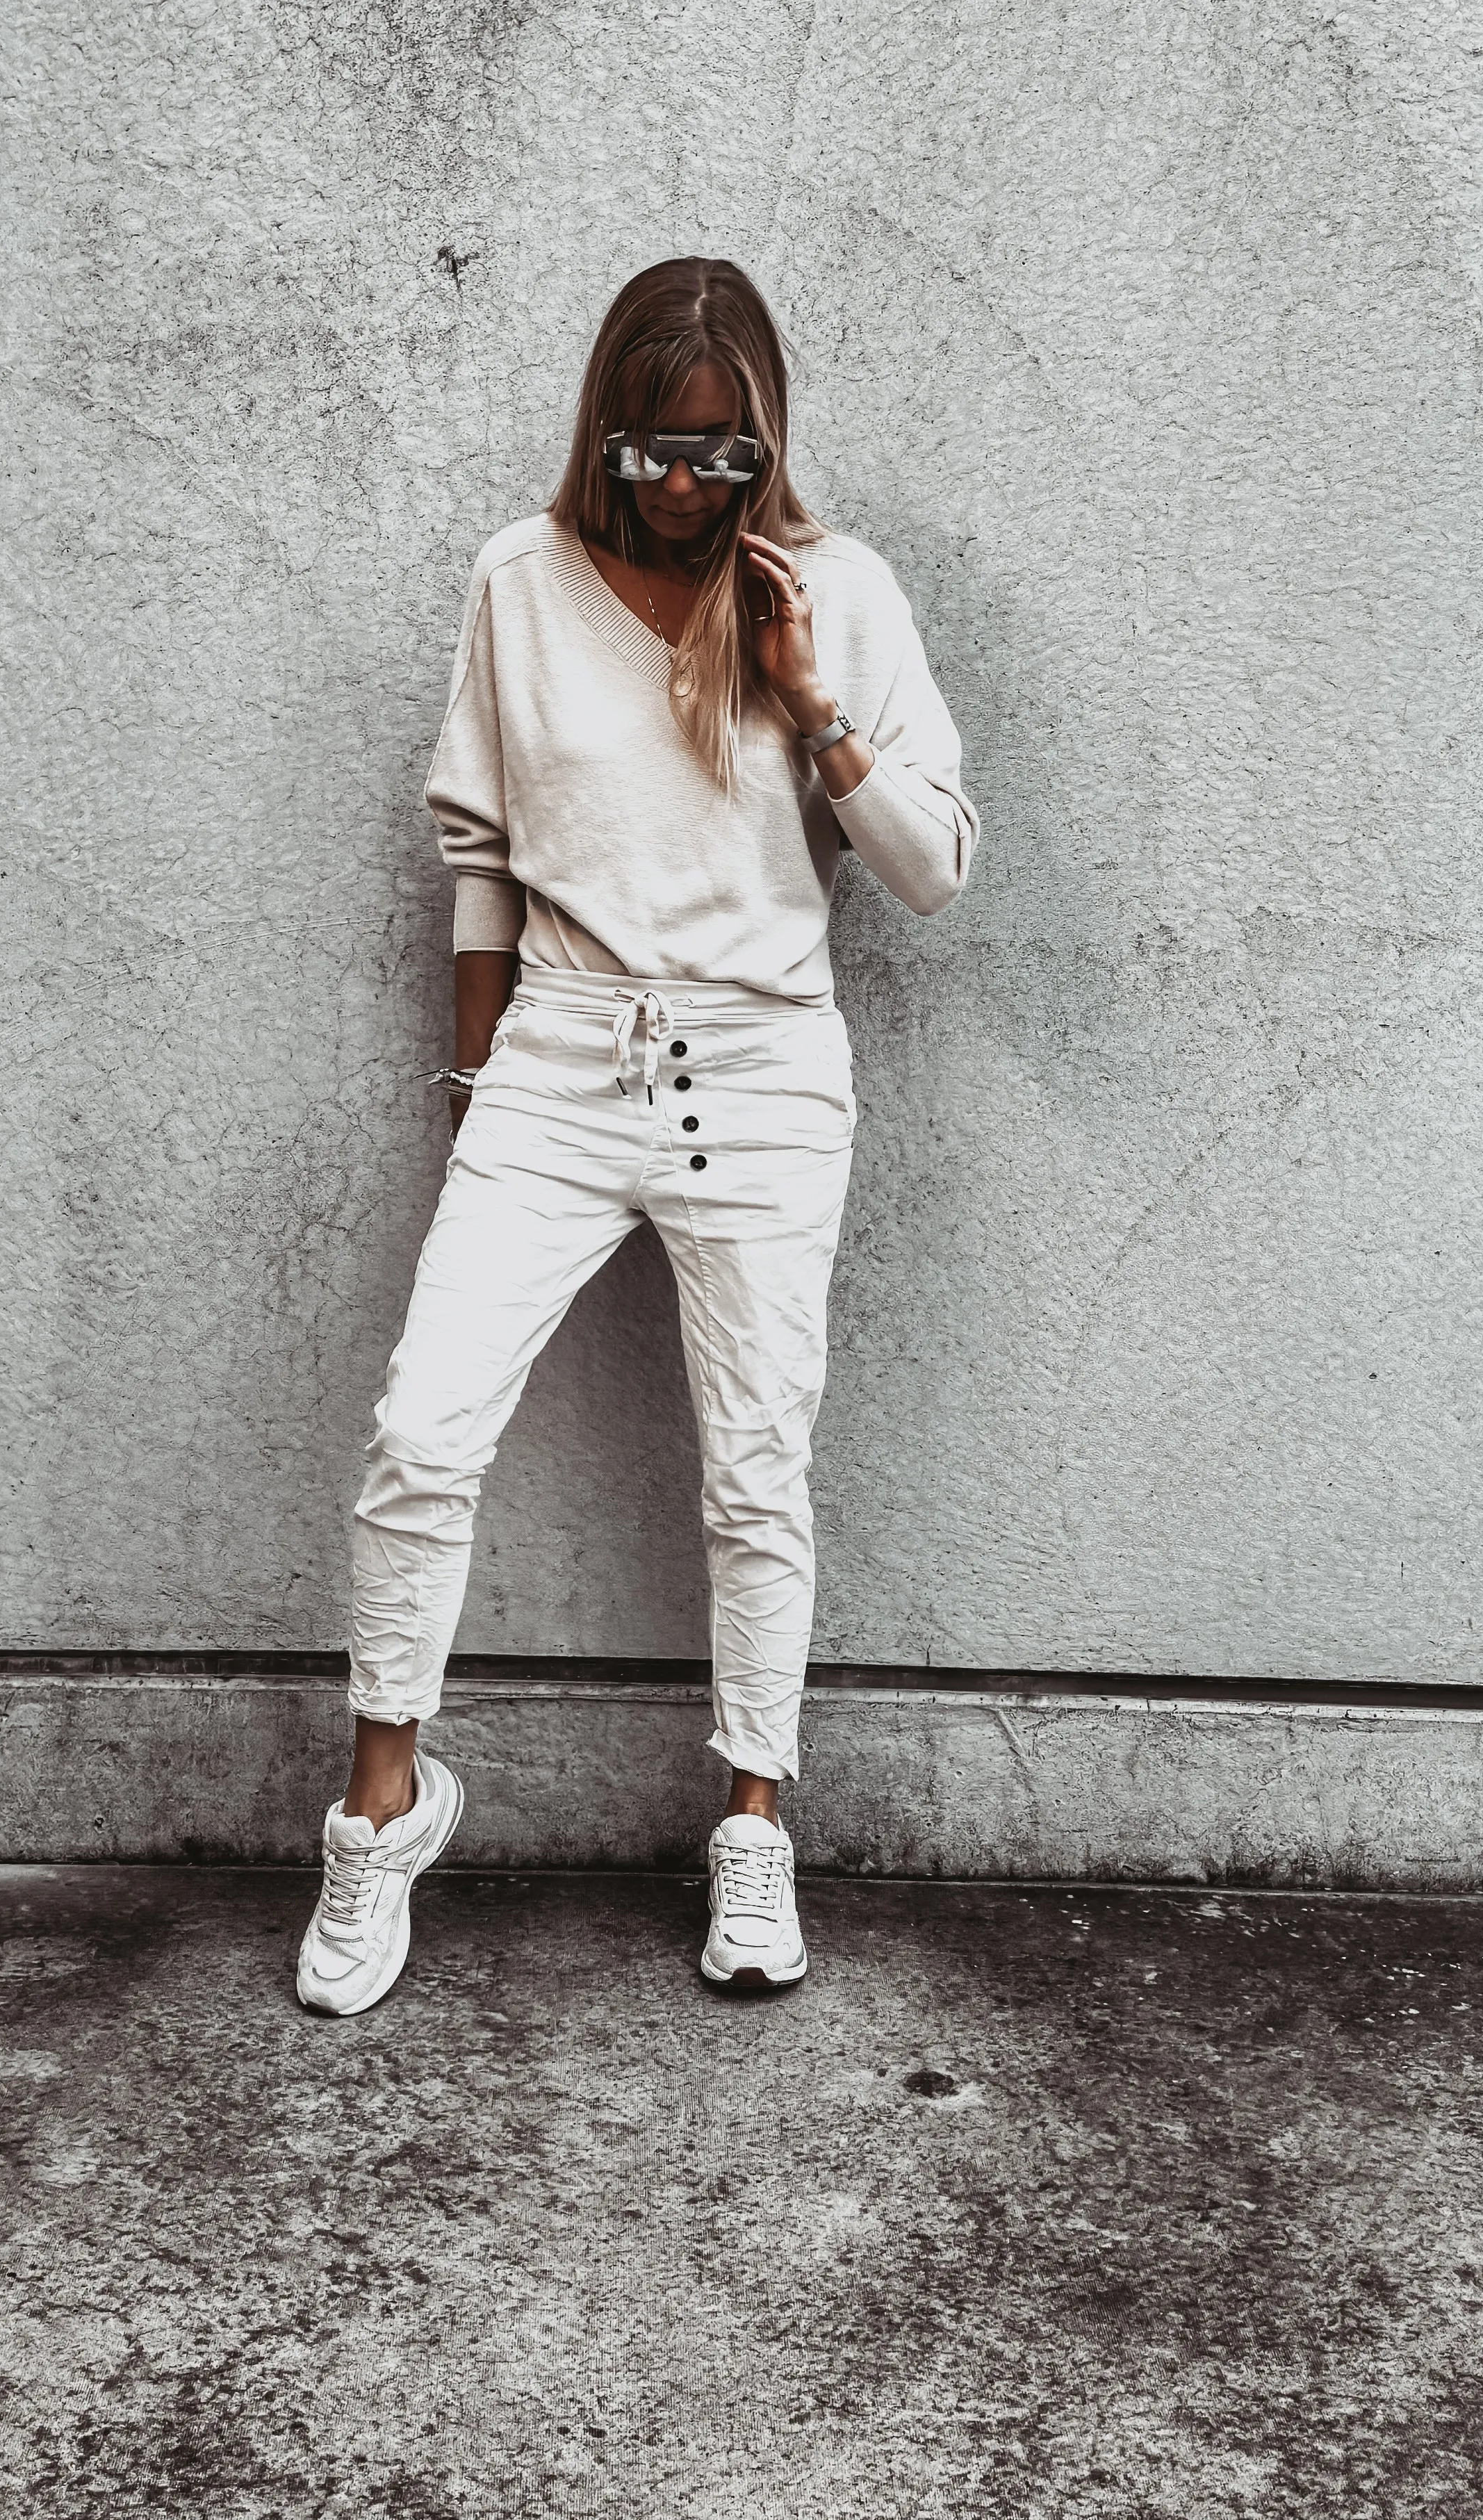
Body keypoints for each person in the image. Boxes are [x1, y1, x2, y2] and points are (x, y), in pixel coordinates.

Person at [295, 255, 978, 2016]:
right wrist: (474, 1101)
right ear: (604, 431)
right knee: (420, 1433)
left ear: (765, 446)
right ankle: (382, 1812)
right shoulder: (519, 586)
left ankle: (754, 1826)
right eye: (657, 453)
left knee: (758, 1473)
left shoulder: (839, 591)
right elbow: (479, 866)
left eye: (722, 456)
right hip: (560, 1061)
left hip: (762, 1073)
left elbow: (932, 873)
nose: (687, 488)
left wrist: (806, 698)